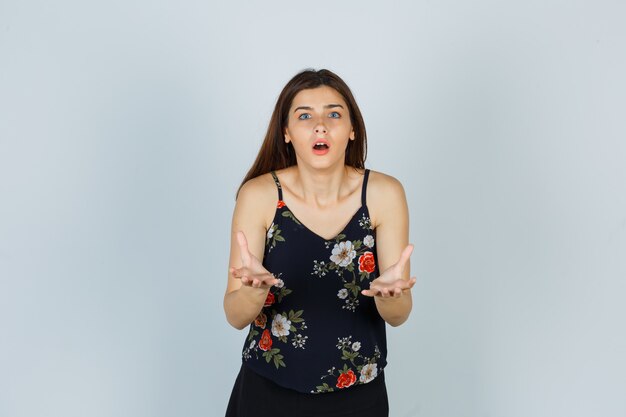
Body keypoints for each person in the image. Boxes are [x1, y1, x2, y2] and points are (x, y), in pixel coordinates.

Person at [223, 68, 416, 417]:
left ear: (352, 129)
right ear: (286, 132)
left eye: (334, 113)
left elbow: (399, 315)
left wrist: (393, 296)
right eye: (304, 115)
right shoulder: (260, 195)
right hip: (268, 392)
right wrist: (252, 291)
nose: (320, 125)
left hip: (358, 397)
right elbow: (235, 316)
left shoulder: (384, 194)